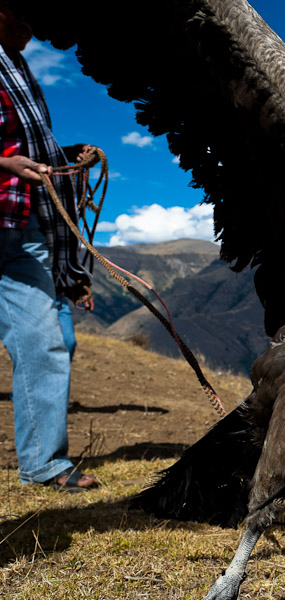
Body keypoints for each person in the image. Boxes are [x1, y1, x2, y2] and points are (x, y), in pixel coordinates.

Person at [0, 1, 98, 491]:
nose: (27, 36)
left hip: (22, 229)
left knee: (45, 340)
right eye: (18, 24)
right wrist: (2, 162)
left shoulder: (17, 70)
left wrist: (64, 155)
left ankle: (44, 464)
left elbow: (28, 151)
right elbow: (9, 155)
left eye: (31, 27)